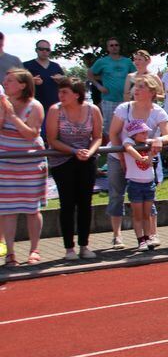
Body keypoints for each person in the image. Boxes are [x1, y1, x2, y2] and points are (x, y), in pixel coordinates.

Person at [106, 74, 168, 249]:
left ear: (152, 92)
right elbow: (113, 133)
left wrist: (159, 140)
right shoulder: (124, 108)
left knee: (148, 195)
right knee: (116, 194)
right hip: (119, 157)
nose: (136, 90)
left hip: (144, 162)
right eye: (135, 86)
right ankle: (117, 235)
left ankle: (152, 233)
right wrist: (122, 158)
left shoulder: (158, 111)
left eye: (141, 87)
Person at [46, 77, 102, 260]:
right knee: (67, 204)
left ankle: (84, 246)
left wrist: (89, 152)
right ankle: (68, 248)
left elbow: (97, 137)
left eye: (65, 92)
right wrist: (73, 150)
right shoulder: (55, 110)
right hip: (62, 161)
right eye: (60, 91)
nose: (60, 95)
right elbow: (52, 139)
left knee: (85, 203)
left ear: (77, 94)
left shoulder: (92, 110)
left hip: (86, 160)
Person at [0, 68, 46, 265]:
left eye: (10, 80)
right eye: (5, 80)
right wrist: (4, 112)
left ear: (23, 85)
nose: (5, 82)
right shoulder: (2, 103)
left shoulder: (35, 106)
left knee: (31, 209)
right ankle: (10, 253)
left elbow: (31, 134)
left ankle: (34, 250)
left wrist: (12, 116)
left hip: (30, 164)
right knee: (8, 209)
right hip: (6, 164)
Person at [121, 119, 158, 250]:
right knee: (137, 215)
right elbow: (128, 148)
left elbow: (149, 162)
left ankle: (148, 237)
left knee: (146, 214)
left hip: (148, 183)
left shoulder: (148, 143)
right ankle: (140, 240)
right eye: (141, 133)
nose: (145, 135)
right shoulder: (128, 141)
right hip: (135, 183)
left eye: (145, 132)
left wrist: (149, 154)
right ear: (134, 134)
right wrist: (140, 157)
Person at [88, 38, 136, 135]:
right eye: (111, 45)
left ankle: (125, 148)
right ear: (108, 48)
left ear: (119, 47)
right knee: (109, 128)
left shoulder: (127, 61)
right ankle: (111, 149)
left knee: (127, 127)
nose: (114, 47)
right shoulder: (102, 61)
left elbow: (136, 75)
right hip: (109, 100)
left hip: (125, 100)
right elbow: (90, 73)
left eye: (116, 45)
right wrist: (98, 86)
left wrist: (133, 90)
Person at [23, 39, 64, 120]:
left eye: (47, 49)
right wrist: (31, 81)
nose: (44, 51)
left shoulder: (56, 66)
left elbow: (65, 84)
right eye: (41, 49)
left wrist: (61, 80)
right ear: (36, 50)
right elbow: (19, 84)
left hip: (55, 107)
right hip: (33, 107)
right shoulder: (26, 65)